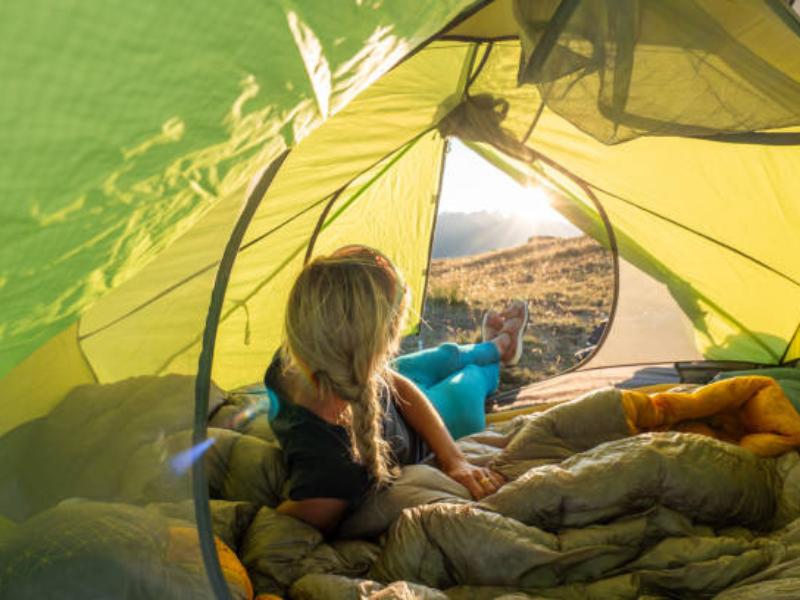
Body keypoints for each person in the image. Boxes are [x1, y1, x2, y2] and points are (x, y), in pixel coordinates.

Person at [264, 245, 528, 533]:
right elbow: (296, 520)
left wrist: (455, 460)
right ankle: (498, 351)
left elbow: (393, 380)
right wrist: (452, 459)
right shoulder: (335, 470)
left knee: (446, 355)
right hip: (435, 426)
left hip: (399, 392)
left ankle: (497, 346)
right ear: (375, 345)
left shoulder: (303, 351)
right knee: (471, 377)